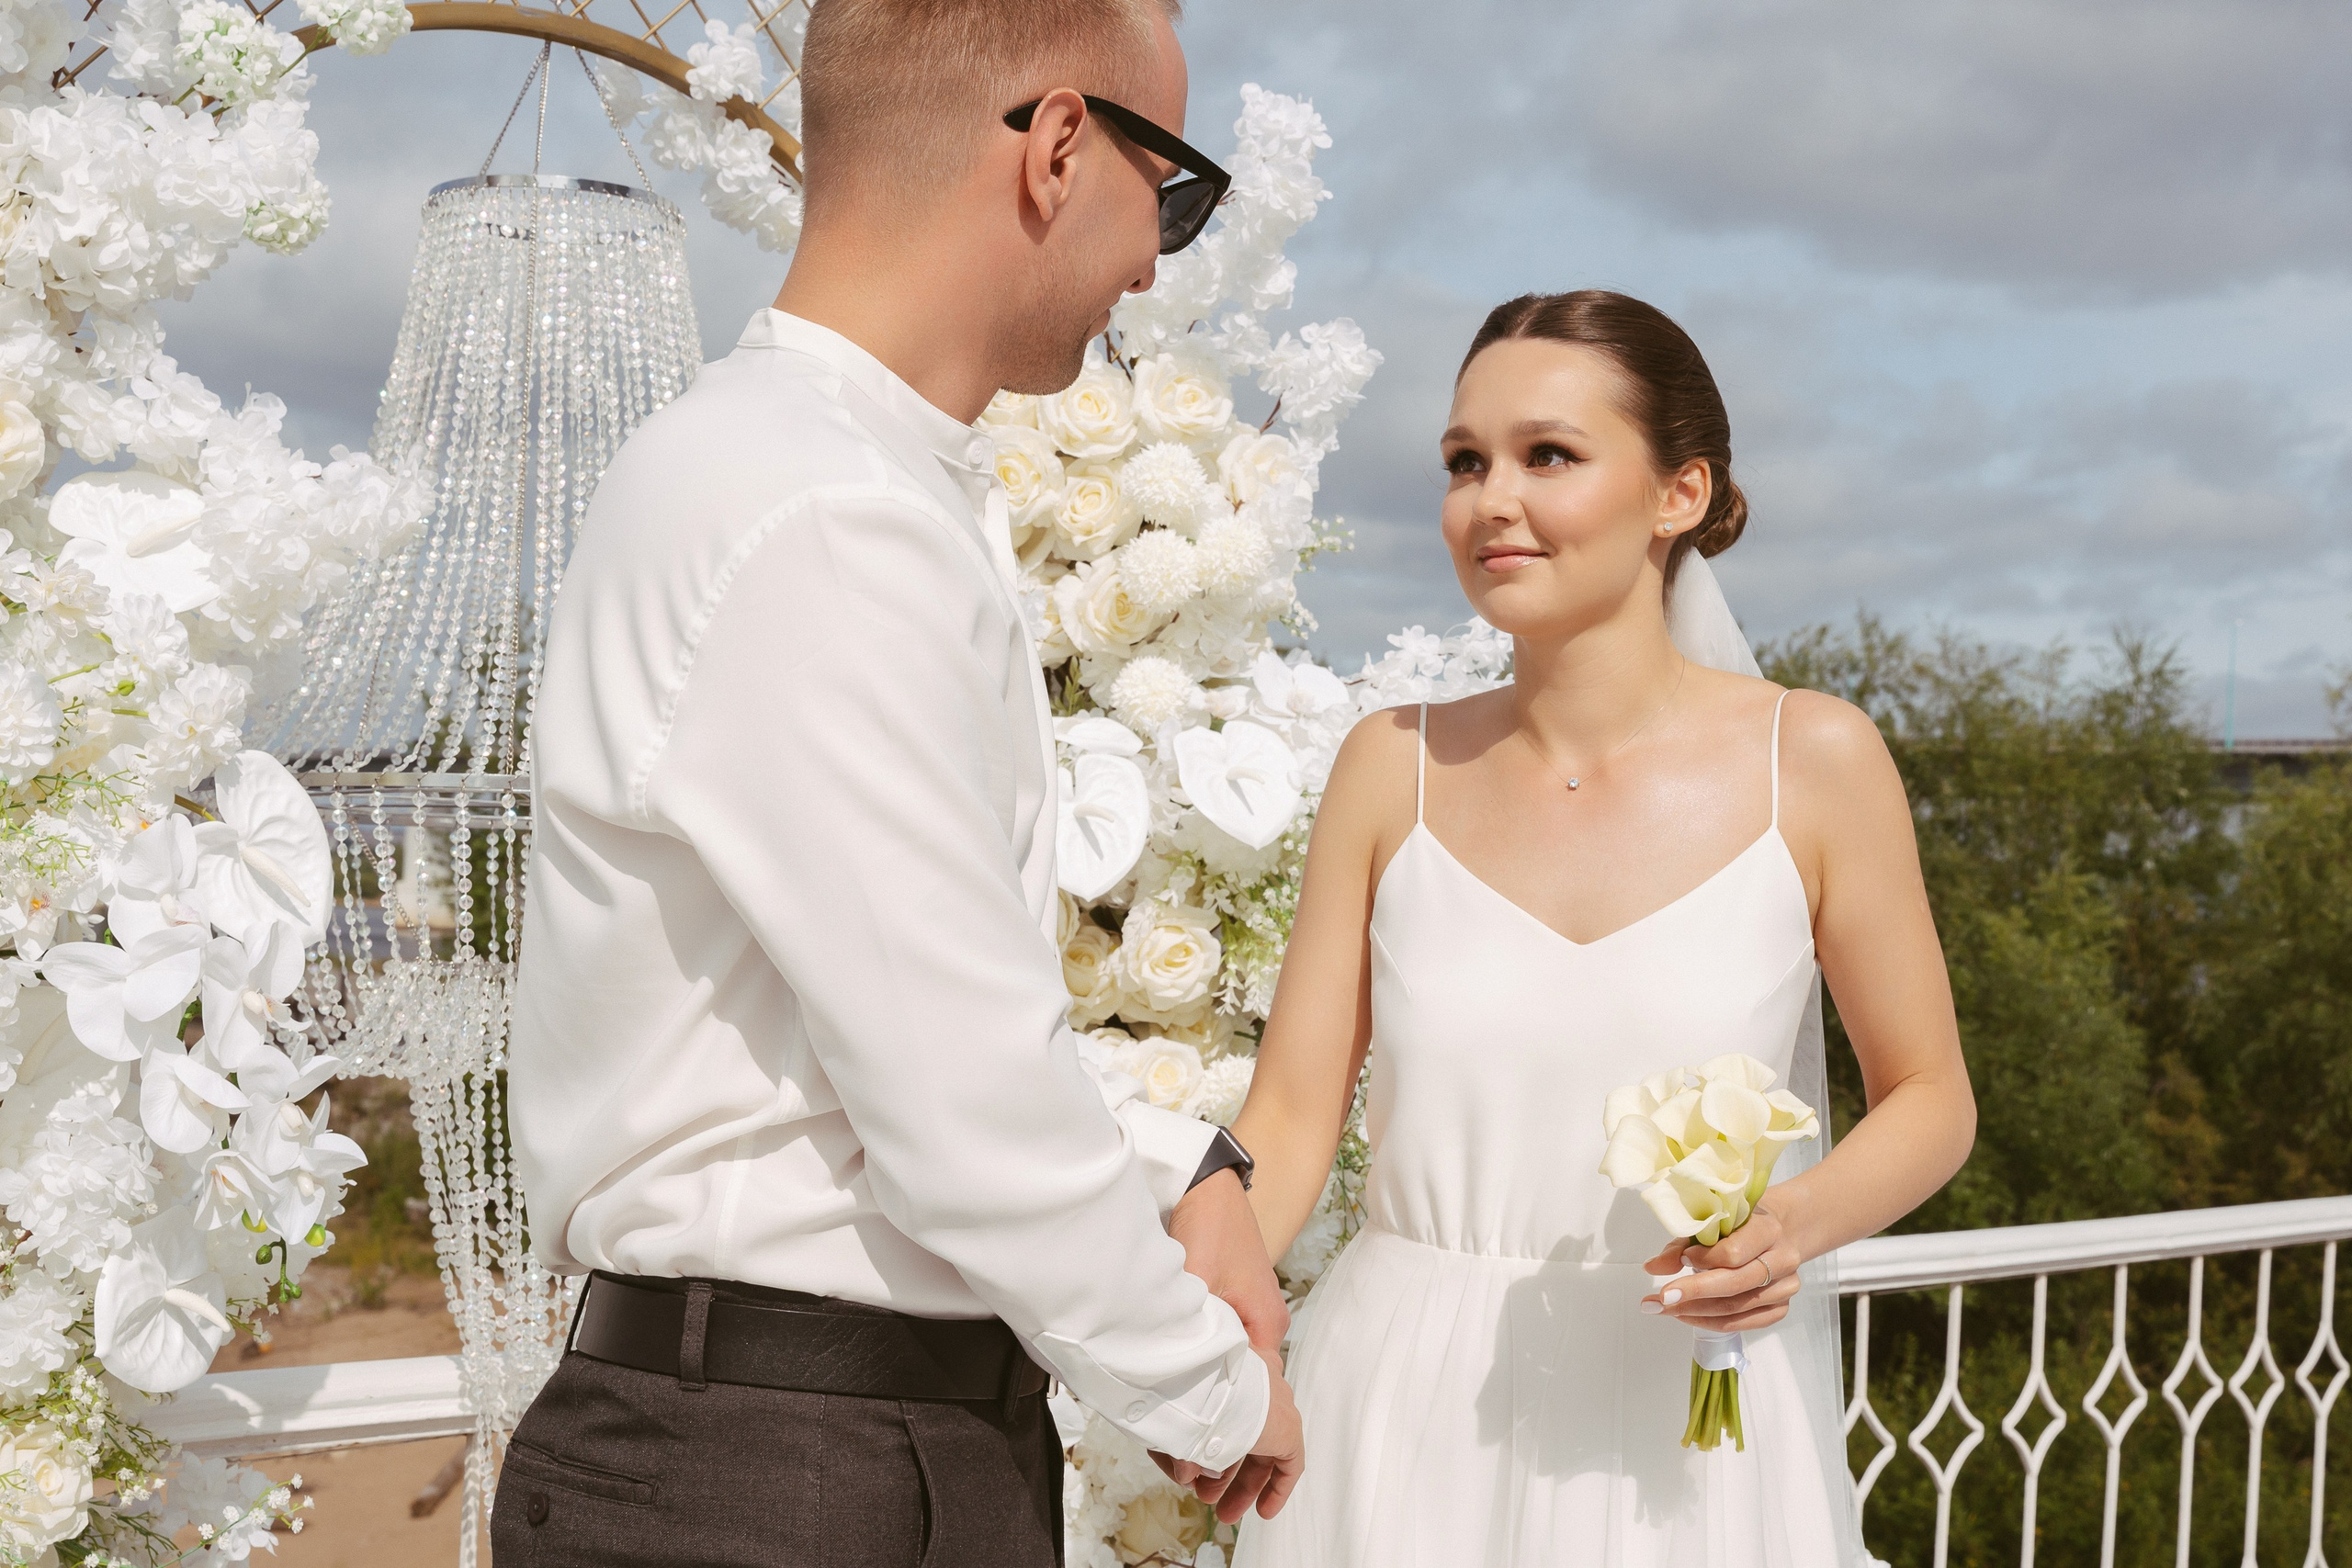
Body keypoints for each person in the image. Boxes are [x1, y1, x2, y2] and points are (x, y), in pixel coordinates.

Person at [493, 3, 1302, 1563]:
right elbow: (958, 1099)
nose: (1158, 264)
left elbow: (858, 1040)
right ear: (1061, 146)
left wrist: (1185, 1167)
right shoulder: (819, 512)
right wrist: (1211, 1391)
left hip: (827, 1449)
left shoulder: (830, 479)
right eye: (1177, 193)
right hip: (783, 1476)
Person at [1225, 291, 1976, 1566]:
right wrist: (1202, 1329)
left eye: (1548, 456)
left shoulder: (1819, 762)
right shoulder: (1386, 766)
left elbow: (1931, 1096)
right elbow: (1291, 1119)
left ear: (1679, 494)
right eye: (1466, 462)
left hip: (1688, 1418)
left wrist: (1787, 1227)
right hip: (1402, 1405)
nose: (1490, 501)